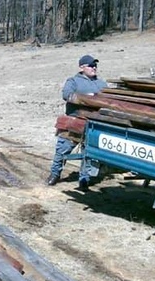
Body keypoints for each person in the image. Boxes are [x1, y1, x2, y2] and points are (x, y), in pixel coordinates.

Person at [46, 54, 108, 190]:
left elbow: (108, 100)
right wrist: (88, 99)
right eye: (91, 65)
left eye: (95, 65)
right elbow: (66, 95)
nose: (94, 68)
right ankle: (55, 174)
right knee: (62, 150)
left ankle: (84, 179)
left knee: (89, 153)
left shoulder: (102, 84)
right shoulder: (73, 81)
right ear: (82, 67)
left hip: (93, 124)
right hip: (74, 122)